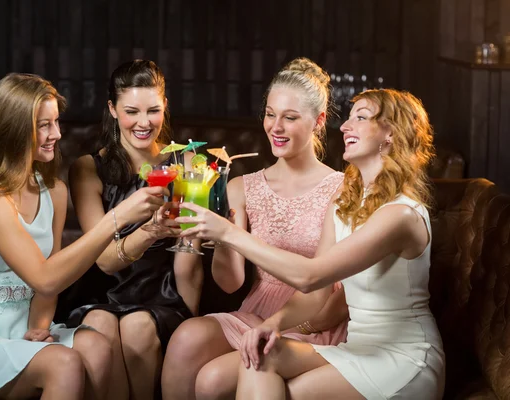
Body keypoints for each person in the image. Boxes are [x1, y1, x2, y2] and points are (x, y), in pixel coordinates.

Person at [178, 88, 445, 399]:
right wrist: (273, 325)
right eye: (347, 118)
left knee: (272, 383)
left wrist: (228, 233)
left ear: (390, 133)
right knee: (261, 355)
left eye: (360, 118)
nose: (344, 126)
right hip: (357, 347)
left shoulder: (401, 215)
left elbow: (310, 275)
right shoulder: (345, 204)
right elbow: (315, 293)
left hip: (403, 356)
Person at [0, 73, 166, 400]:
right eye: (43, 125)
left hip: (22, 326)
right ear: (12, 130)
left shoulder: (54, 192)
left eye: (56, 122)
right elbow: (45, 279)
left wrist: (39, 328)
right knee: (64, 363)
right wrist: (119, 217)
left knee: (97, 344)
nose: (56, 134)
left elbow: (52, 273)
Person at [161, 57, 349, 400]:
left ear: (318, 121)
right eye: (270, 114)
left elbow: (346, 285)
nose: (275, 127)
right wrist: (217, 235)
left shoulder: (341, 188)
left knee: (211, 381)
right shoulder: (241, 186)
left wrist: (301, 324)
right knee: (186, 337)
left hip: (315, 317)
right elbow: (230, 282)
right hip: (256, 310)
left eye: (289, 118)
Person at [61, 59, 203, 400]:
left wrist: (193, 314)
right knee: (102, 325)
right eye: (131, 111)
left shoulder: (186, 164)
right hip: (103, 291)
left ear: (165, 106)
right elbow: (105, 261)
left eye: (153, 110)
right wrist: (151, 230)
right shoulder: (88, 169)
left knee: (139, 327)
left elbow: (191, 253)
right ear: (112, 109)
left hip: (163, 294)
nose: (144, 123)